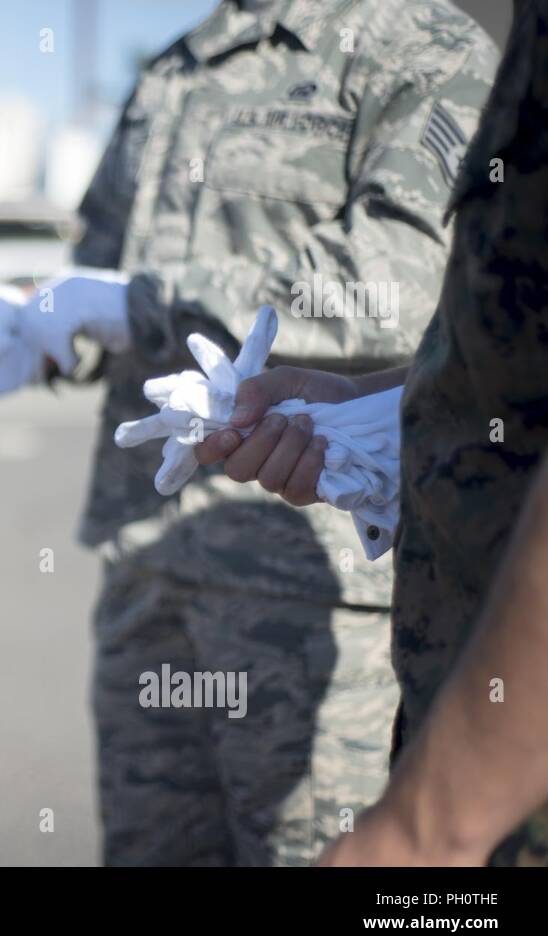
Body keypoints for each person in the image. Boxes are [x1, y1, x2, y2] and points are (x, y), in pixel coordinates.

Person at [0, 0, 497, 864]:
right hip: (147, 560)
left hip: (314, 589)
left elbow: (404, 272)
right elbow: (109, 268)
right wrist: (46, 331)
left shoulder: (420, 43)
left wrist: (137, 302)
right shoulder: (175, 68)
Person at [195, 0, 548, 866]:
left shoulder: (420, 40)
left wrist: (425, 834)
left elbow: (387, 274)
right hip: (469, 720)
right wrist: (401, 410)